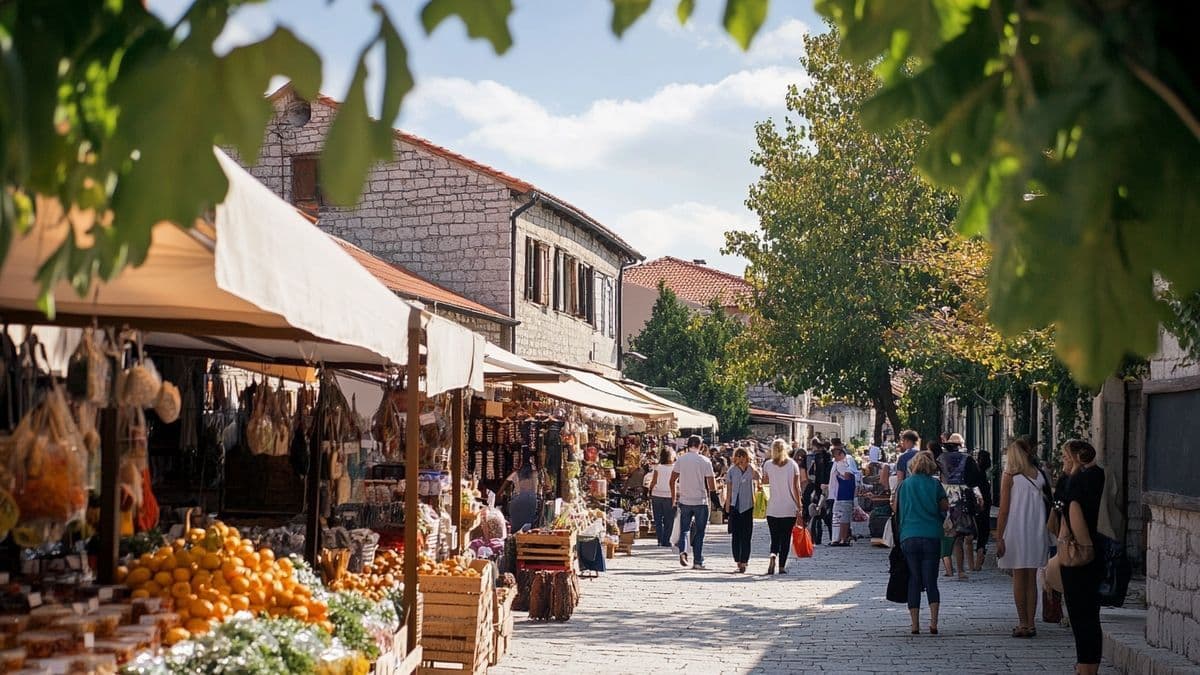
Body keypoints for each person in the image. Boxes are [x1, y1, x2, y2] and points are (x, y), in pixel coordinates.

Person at [995, 438, 1050, 638]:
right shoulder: (1040, 475)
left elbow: (1004, 510)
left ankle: (1022, 623)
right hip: (1036, 529)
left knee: (1019, 576)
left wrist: (999, 537)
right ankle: (1031, 623)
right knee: (1032, 577)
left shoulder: (1010, 476)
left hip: (1016, 529)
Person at [1058, 439, 1105, 675]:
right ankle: (1086, 665)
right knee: (1089, 615)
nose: (1063, 463)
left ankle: (1085, 667)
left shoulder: (1075, 485)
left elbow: (1071, 513)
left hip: (1079, 555)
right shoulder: (1097, 476)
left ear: (1077, 458)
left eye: (1066, 458)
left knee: (1081, 615)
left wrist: (1081, 546)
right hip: (1095, 553)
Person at [897, 451, 948, 635]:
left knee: (914, 579)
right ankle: (933, 623)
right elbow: (944, 506)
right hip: (931, 535)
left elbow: (897, 510)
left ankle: (915, 624)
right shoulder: (935, 484)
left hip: (909, 535)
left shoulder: (904, 485)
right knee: (931, 580)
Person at [938, 433, 985, 579]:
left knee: (952, 535)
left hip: (946, 496)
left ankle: (954, 568)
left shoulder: (941, 459)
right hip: (963, 499)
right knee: (966, 534)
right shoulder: (968, 459)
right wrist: (979, 498)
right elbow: (975, 481)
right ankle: (963, 569)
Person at [670, 435, 716, 570]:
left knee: (684, 529)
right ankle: (697, 560)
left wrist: (674, 498)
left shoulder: (681, 460)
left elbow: (672, 480)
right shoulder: (705, 461)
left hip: (685, 500)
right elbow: (711, 484)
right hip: (701, 500)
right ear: (701, 446)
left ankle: (683, 551)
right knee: (700, 531)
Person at [761, 438, 805, 574]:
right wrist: (799, 505)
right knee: (786, 537)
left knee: (774, 537)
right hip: (788, 507)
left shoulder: (767, 465)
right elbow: (796, 487)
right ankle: (781, 566)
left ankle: (773, 554)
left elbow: (765, 484)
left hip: (773, 507)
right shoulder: (792, 464)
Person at [724, 447, 759, 573]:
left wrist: (752, 467)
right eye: (738, 456)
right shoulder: (732, 471)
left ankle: (745, 560)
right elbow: (729, 488)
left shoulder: (751, 469)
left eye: (743, 456)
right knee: (736, 534)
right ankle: (738, 559)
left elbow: (759, 479)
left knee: (747, 534)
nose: (740, 459)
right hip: (735, 505)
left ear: (747, 457)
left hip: (748, 505)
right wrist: (727, 504)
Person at [828, 440, 860, 547]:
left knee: (845, 517)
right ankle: (837, 538)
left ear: (841, 454)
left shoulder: (848, 460)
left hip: (846, 493)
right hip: (839, 493)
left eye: (836, 456)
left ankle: (843, 538)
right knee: (838, 516)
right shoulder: (837, 463)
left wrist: (842, 475)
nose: (835, 458)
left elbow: (849, 474)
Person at [646, 447, 677, 547]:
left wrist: (649, 489)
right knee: (669, 520)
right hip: (669, 495)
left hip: (656, 495)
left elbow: (654, 482)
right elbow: (674, 484)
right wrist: (674, 498)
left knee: (658, 520)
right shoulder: (675, 468)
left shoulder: (658, 467)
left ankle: (660, 540)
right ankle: (666, 540)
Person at [973, 445, 994, 571]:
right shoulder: (984, 478)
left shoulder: (975, 475)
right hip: (984, 508)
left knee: (977, 532)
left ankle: (977, 560)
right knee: (983, 533)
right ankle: (979, 558)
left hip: (977, 507)